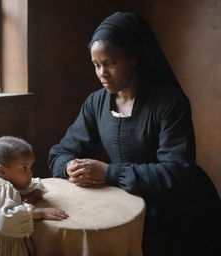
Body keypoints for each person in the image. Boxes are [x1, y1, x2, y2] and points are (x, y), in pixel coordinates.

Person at [48, 12, 221, 256]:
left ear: (133, 58)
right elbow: (61, 152)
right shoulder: (96, 103)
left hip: (180, 211)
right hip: (129, 204)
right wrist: (68, 167)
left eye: (110, 63)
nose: (102, 73)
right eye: (96, 65)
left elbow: (176, 172)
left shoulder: (169, 103)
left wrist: (109, 172)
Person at [0, 136, 69, 256]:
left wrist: (33, 196)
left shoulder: (13, 184)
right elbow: (5, 219)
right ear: (2, 171)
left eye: (30, 167)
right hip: (5, 248)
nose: (30, 172)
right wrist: (39, 212)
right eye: (24, 168)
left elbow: (35, 185)